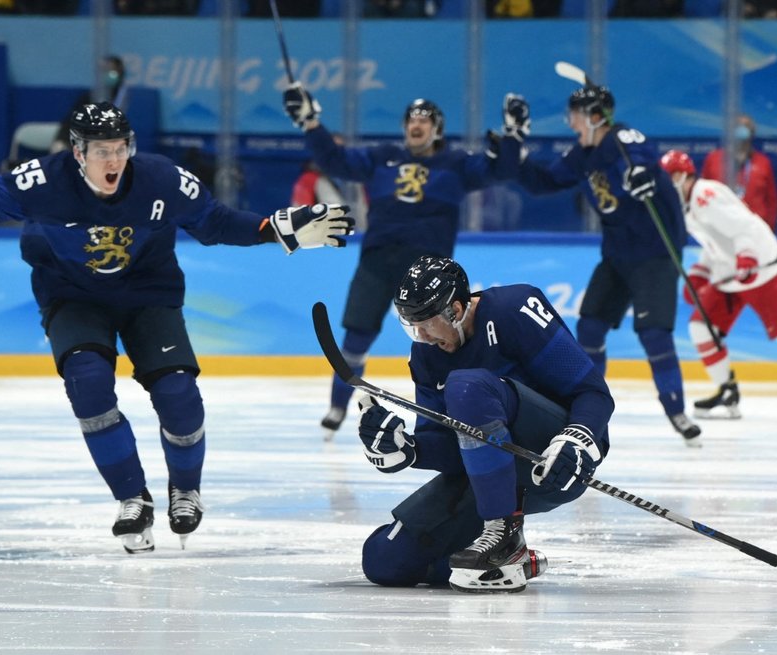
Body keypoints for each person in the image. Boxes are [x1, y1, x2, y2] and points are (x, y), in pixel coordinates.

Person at [0, 101, 354, 553]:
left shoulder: (161, 180)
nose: (113, 161)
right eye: (101, 151)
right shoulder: (41, 181)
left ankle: (186, 487)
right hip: (72, 296)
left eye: (120, 149)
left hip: (148, 295)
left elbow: (216, 222)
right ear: (77, 152)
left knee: (178, 395)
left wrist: (278, 230)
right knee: (88, 384)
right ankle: (132, 497)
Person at [356, 256, 614, 592]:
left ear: (458, 309)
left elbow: (593, 393)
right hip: (491, 473)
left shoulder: (514, 309)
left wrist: (577, 440)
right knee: (385, 560)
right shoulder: (426, 354)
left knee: (467, 385)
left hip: (556, 461)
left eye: (428, 322)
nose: (422, 335)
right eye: (411, 324)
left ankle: (504, 540)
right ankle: (511, 560)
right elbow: (448, 448)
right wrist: (408, 449)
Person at [282, 83, 516, 440]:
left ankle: (452, 409)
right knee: (357, 336)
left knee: (438, 340)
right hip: (379, 259)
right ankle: (337, 405)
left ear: (437, 128)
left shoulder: (456, 164)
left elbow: (501, 170)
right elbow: (335, 160)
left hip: (430, 271)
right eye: (412, 120)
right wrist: (311, 124)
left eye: (425, 120)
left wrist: (513, 138)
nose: (416, 125)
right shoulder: (382, 157)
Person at [491, 86, 702, 445]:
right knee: (589, 328)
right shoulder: (582, 154)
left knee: (654, 335)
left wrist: (642, 176)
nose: (570, 122)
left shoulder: (625, 138)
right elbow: (544, 183)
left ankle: (676, 411)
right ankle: (587, 407)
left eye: (574, 114)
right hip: (617, 256)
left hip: (655, 256)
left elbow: (642, 158)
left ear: (593, 116)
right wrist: (515, 153)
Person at [660, 150, 777, 421]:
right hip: (731, 274)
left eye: (668, 179)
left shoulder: (705, 196)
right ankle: (727, 391)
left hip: (761, 270)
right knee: (701, 327)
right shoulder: (688, 207)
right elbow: (716, 243)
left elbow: (744, 227)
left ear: (681, 176)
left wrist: (747, 257)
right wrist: (701, 272)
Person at [700, 114, 777, 230]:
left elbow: (772, 201)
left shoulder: (763, 163)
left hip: (754, 229)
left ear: (752, 133)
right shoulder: (713, 159)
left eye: (746, 126)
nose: (741, 130)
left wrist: (768, 230)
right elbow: (702, 193)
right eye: (738, 126)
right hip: (719, 228)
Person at [50, 55, 131, 154]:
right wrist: (62, 140)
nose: (108, 74)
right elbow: (72, 121)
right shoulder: (89, 97)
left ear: (120, 72)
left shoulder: (126, 98)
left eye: (112, 70)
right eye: (104, 70)